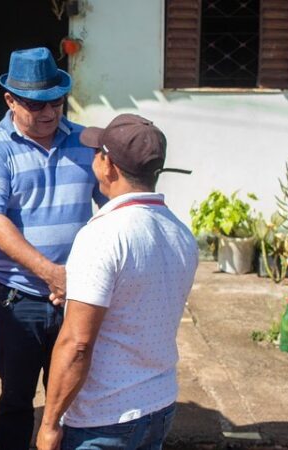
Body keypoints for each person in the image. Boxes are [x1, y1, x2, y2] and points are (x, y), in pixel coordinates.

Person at [0, 47, 107, 450]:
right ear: (10, 100)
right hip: (20, 297)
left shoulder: (84, 143)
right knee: (17, 396)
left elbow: (111, 201)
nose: (48, 113)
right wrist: (52, 273)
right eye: (36, 105)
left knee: (69, 396)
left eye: (56, 103)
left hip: (78, 295)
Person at [36, 114, 198, 450]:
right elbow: (138, 300)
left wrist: (50, 423)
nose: (93, 158)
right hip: (159, 404)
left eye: (98, 153)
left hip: (104, 417)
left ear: (108, 166)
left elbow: (77, 344)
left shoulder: (103, 234)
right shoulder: (179, 232)